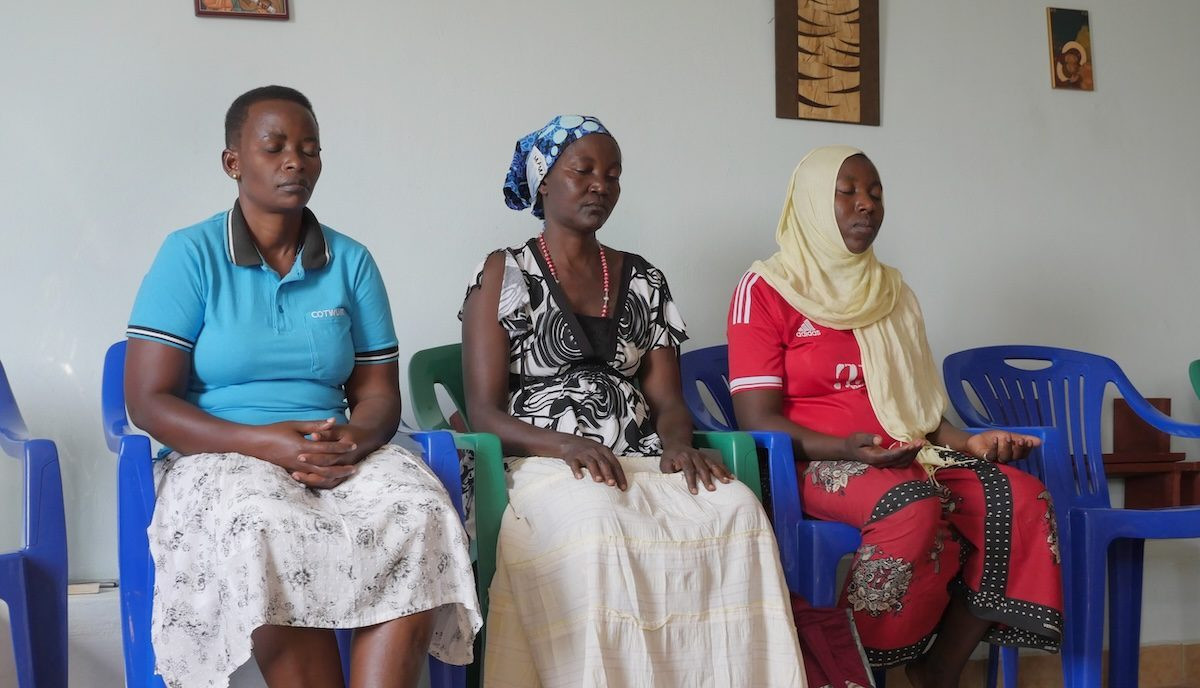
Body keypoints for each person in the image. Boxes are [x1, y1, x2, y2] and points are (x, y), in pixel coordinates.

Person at [124, 85, 480, 688]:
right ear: (233, 162)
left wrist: (352, 441)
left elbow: (378, 395)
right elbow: (147, 401)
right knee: (262, 523)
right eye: (275, 147)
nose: (296, 160)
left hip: (335, 449)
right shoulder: (190, 254)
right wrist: (267, 444)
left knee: (420, 512)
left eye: (309, 148)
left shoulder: (351, 261)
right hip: (222, 452)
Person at [460, 115, 805, 687]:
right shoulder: (505, 272)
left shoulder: (645, 279)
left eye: (613, 174)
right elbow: (484, 411)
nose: (601, 184)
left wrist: (678, 446)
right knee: (598, 525)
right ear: (544, 179)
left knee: (737, 508)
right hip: (543, 461)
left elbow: (668, 398)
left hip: (643, 455)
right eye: (584, 170)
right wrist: (567, 444)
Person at [727, 145, 1063, 688]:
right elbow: (757, 419)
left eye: (876, 193)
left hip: (911, 454)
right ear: (812, 203)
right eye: (848, 193)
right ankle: (844, 674)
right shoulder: (765, 289)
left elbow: (922, 411)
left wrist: (971, 442)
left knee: (1021, 500)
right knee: (911, 504)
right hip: (815, 464)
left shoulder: (893, 293)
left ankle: (937, 671)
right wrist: (845, 449)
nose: (866, 205)